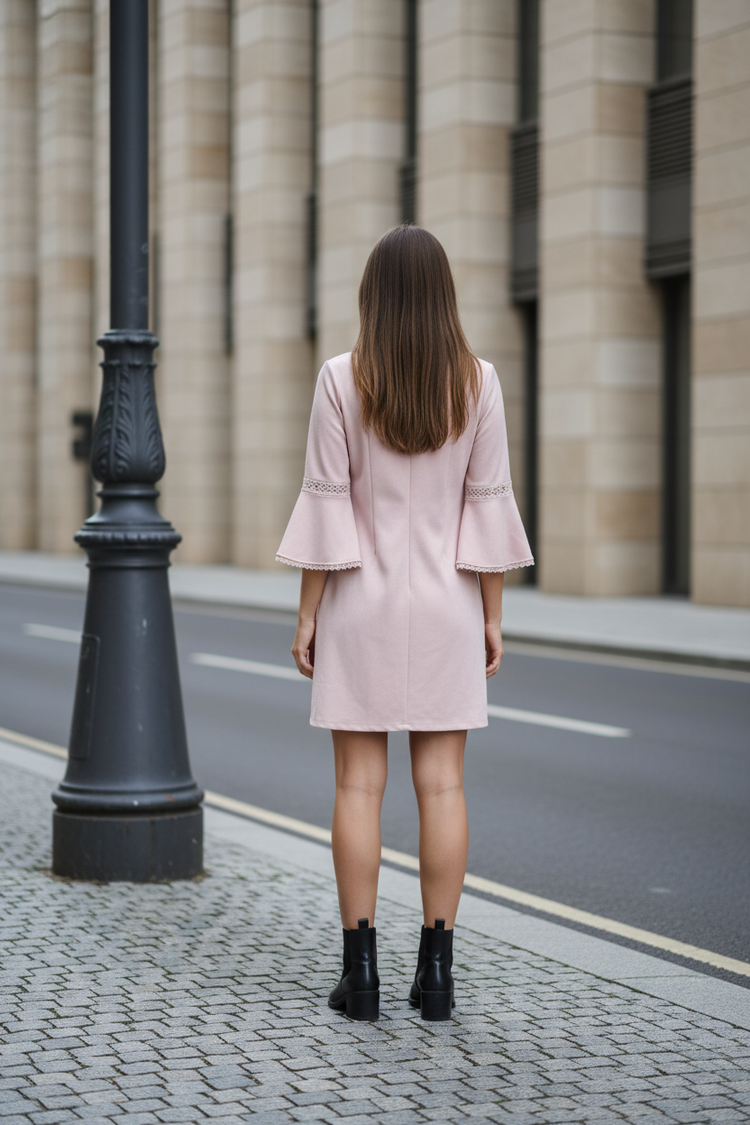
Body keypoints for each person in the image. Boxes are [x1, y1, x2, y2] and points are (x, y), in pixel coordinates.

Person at [276, 225, 534, 1021]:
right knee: (443, 785)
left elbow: (327, 505)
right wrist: (493, 617)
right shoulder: (479, 381)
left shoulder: (340, 378)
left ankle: (361, 978)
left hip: (360, 605)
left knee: (358, 784)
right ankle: (438, 975)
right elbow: (486, 507)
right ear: (444, 296)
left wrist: (307, 614)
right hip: (450, 605)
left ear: (372, 295)